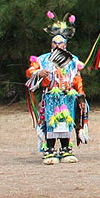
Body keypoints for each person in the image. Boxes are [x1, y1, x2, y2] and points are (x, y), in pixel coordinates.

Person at [25, 11, 86, 165]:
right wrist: (39, 72)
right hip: (50, 95)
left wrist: (81, 94)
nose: (58, 46)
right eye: (55, 43)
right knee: (50, 122)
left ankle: (66, 149)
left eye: (61, 44)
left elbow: (77, 78)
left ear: (65, 45)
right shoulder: (42, 59)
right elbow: (29, 72)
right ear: (51, 44)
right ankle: (49, 150)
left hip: (67, 96)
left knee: (67, 121)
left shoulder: (73, 60)